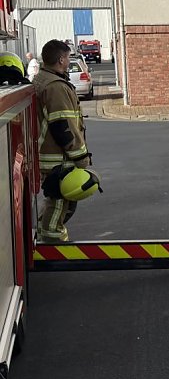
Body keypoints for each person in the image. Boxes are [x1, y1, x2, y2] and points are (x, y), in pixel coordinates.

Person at [32, 40, 92, 242]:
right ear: (60, 59)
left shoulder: (43, 79)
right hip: (59, 157)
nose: (68, 61)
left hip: (51, 155)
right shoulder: (56, 87)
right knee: (60, 200)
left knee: (57, 199)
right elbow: (63, 125)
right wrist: (80, 156)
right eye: (67, 57)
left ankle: (47, 233)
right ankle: (52, 240)